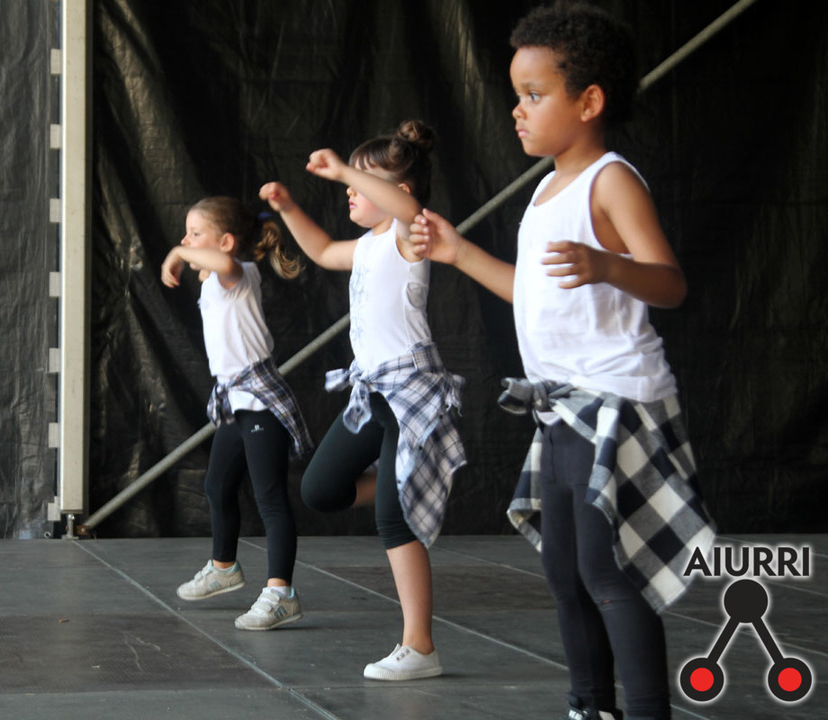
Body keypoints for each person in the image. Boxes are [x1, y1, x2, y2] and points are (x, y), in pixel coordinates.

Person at [408, 4, 714, 719]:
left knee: (609, 572)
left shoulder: (610, 180)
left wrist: (609, 265)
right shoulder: (547, 189)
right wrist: (458, 252)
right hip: (563, 405)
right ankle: (590, 706)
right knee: (565, 572)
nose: (517, 110)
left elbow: (669, 283)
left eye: (534, 94)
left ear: (589, 101)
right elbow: (533, 291)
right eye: (516, 95)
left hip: (617, 404)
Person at [260, 120, 466, 681]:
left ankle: (419, 646)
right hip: (374, 392)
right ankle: (411, 480)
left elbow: (405, 207)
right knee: (320, 489)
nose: (350, 190)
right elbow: (323, 250)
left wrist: (342, 169)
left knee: (393, 519)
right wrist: (288, 208)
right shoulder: (370, 244)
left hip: (411, 393)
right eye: (351, 182)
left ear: (399, 192)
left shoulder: (409, 236)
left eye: (363, 181)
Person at [161, 196, 313, 631]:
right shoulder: (216, 280)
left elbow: (224, 264)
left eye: (195, 234)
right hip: (236, 402)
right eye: (185, 234)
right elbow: (213, 266)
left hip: (260, 402)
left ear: (226, 242)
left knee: (269, 497)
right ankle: (224, 566)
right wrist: (191, 255)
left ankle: (282, 593)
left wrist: (177, 253)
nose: (186, 240)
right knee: (217, 484)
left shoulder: (239, 274)